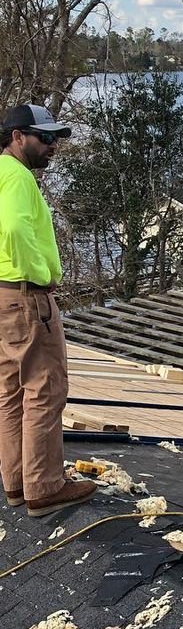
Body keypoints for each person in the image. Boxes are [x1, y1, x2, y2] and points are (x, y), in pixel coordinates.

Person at [0, 104, 97, 518]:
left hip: (2, 295)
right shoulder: (18, 177)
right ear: (17, 137)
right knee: (45, 389)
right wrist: (41, 275)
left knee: (10, 392)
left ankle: (17, 484)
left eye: (55, 138)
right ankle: (44, 487)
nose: (53, 145)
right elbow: (14, 228)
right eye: (45, 137)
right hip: (26, 296)